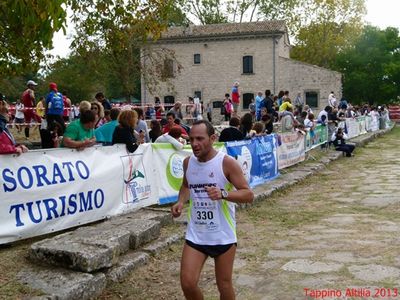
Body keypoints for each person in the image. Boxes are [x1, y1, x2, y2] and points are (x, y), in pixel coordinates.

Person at [171, 120, 253, 300]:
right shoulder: (188, 163)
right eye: (191, 139)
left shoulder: (226, 163)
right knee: (187, 283)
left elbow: (248, 194)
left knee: (224, 285)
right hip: (197, 234)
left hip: (222, 235)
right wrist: (180, 201)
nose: (194, 144)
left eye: (200, 139)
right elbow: (186, 186)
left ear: (213, 138)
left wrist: (223, 193)